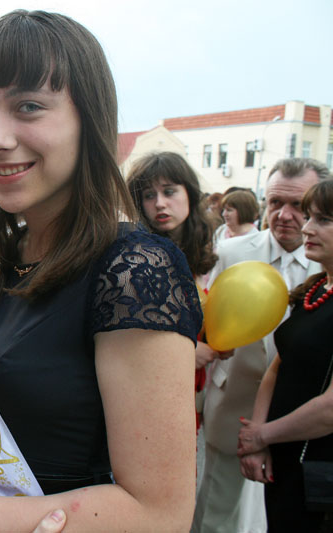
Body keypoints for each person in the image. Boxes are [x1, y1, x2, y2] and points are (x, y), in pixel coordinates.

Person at [0, 10, 202, 531]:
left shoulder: (135, 269)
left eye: (28, 106)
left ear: (88, 118)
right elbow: (15, 430)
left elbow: (160, 514)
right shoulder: (2, 256)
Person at [194, 157, 329, 533]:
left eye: (298, 205)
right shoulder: (231, 252)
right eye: (274, 202)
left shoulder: (325, 264)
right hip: (232, 403)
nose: (284, 215)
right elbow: (209, 318)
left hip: (299, 421)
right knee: (214, 512)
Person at [237, 178, 333, 531]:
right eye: (311, 216)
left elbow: (330, 408)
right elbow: (277, 368)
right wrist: (257, 438)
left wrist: (262, 436)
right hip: (286, 457)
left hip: (320, 466)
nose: (307, 228)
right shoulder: (315, 288)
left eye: (323, 220)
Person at [126, 151, 222, 431]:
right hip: (149, 395)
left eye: (169, 192)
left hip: (189, 389)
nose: (160, 203)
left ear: (189, 193)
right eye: (149, 195)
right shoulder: (136, 256)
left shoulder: (200, 250)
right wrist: (188, 350)